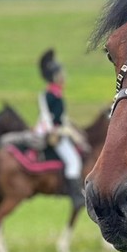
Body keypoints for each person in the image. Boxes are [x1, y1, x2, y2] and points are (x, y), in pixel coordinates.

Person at [35, 49, 84, 211]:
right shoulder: (48, 95)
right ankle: (75, 196)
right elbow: (46, 117)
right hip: (52, 133)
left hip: (60, 130)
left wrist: (73, 129)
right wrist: (61, 131)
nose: (63, 76)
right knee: (73, 161)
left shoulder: (57, 94)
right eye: (60, 74)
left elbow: (61, 117)